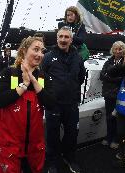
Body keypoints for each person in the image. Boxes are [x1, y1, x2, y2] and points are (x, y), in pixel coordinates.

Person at [0, 36, 55, 173]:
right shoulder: (8, 73)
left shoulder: (43, 77)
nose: (40, 54)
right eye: (36, 49)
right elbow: (0, 100)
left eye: (42, 51)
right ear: (24, 51)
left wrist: (34, 82)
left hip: (34, 146)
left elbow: (51, 104)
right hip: (10, 145)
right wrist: (24, 85)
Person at [42, 26, 85, 173]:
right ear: (57, 38)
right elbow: (42, 78)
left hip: (71, 104)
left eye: (66, 37)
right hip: (53, 104)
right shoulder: (48, 56)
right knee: (52, 135)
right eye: (60, 36)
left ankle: (70, 158)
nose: (63, 40)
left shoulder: (78, 57)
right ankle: (52, 162)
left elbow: (80, 78)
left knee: (72, 134)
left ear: (71, 40)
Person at [99, 41, 125, 149]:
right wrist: (115, 78)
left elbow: (124, 78)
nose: (117, 51)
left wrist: (110, 77)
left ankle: (116, 138)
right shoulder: (109, 61)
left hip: (120, 94)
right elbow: (102, 76)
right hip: (108, 94)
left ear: (124, 50)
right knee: (109, 117)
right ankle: (109, 136)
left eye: (120, 49)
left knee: (118, 118)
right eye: (115, 49)